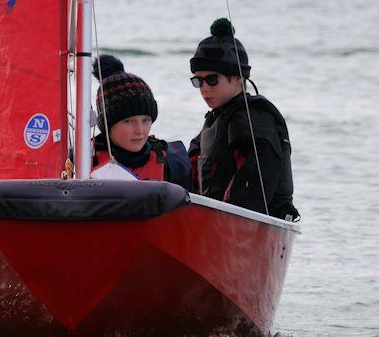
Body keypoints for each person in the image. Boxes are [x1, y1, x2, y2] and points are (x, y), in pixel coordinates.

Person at [188, 18, 300, 221]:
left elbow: (252, 187)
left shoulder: (251, 120)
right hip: (213, 223)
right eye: (198, 80)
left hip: (245, 225)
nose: (204, 88)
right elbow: (189, 172)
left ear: (239, 78)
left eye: (212, 79)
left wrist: (221, 220)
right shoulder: (215, 121)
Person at [91, 54, 191, 188]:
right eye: (128, 121)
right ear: (107, 124)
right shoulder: (81, 162)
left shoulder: (171, 163)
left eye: (145, 120)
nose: (140, 131)